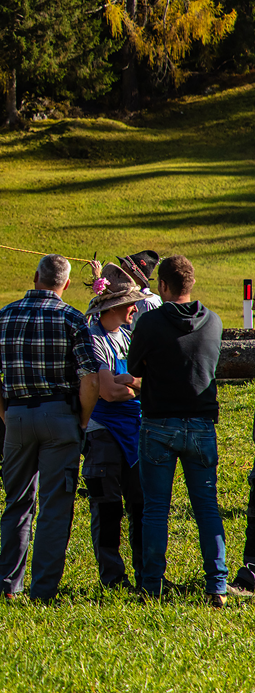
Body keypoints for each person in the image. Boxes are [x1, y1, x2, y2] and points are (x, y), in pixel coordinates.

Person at [0, 253, 99, 601]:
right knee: (54, 506)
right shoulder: (72, 319)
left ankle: (7, 584)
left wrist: (6, 415)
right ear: (64, 284)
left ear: (35, 277)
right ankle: (43, 589)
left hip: (17, 415)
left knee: (16, 502)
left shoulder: (3, 316)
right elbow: (90, 379)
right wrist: (81, 419)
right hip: (60, 414)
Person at [128, 254, 228, 606]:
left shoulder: (150, 323)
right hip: (201, 423)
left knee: (156, 508)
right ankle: (217, 584)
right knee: (207, 508)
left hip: (158, 424)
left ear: (164, 286)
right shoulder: (213, 322)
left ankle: (152, 583)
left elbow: (133, 364)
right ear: (192, 283)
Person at [78, 271, 150, 588]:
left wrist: (130, 383)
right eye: (130, 304)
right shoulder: (93, 339)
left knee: (140, 507)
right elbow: (107, 391)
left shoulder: (128, 336)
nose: (134, 309)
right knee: (107, 509)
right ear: (113, 307)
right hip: (102, 433)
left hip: (135, 431)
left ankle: (145, 572)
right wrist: (134, 385)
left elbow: (144, 381)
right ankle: (112, 578)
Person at [117, 250, 163, 318]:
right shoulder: (133, 298)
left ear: (137, 275)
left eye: (125, 269)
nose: (121, 273)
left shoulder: (146, 302)